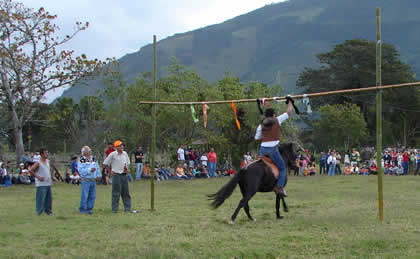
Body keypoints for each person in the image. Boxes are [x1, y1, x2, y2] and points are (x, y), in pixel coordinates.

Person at [255, 98, 293, 196]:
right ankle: (279, 187)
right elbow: (288, 112)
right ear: (273, 115)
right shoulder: (277, 120)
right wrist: (290, 102)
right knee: (282, 168)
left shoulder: (261, 124)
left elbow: (256, 138)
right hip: (272, 149)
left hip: (262, 149)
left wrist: (266, 136)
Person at [103, 140, 132, 213]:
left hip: (124, 175)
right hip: (116, 175)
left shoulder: (125, 154)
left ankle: (127, 208)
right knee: (116, 193)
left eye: (122, 145)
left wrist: (126, 168)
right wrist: (110, 171)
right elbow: (105, 163)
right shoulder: (113, 154)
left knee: (126, 192)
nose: (122, 147)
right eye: (119, 146)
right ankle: (114, 209)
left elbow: (127, 163)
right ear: (116, 147)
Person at [28, 148, 53, 215]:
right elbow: (31, 170)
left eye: (47, 153)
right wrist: (38, 177)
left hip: (48, 183)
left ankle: (48, 211)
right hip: (41, 184)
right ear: (41, 154)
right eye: (45, 153)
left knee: (49, 199)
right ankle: (39, 211)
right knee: (40, 198)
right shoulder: (38, 162)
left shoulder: (47, 161)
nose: (47, 154)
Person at [78, 146, 102, 214]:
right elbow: (81, 171)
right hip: (86, 180)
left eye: (89, 150)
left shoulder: (93, 159)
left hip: (93, 180)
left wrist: (98, 175)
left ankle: (89, 209)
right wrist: (89, 170)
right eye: (87, 150)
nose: (89, 151)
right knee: (85, 195)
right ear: (84, 152)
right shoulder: (81, 160)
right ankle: (82, 209)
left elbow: (97, 167)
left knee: (92, 196)